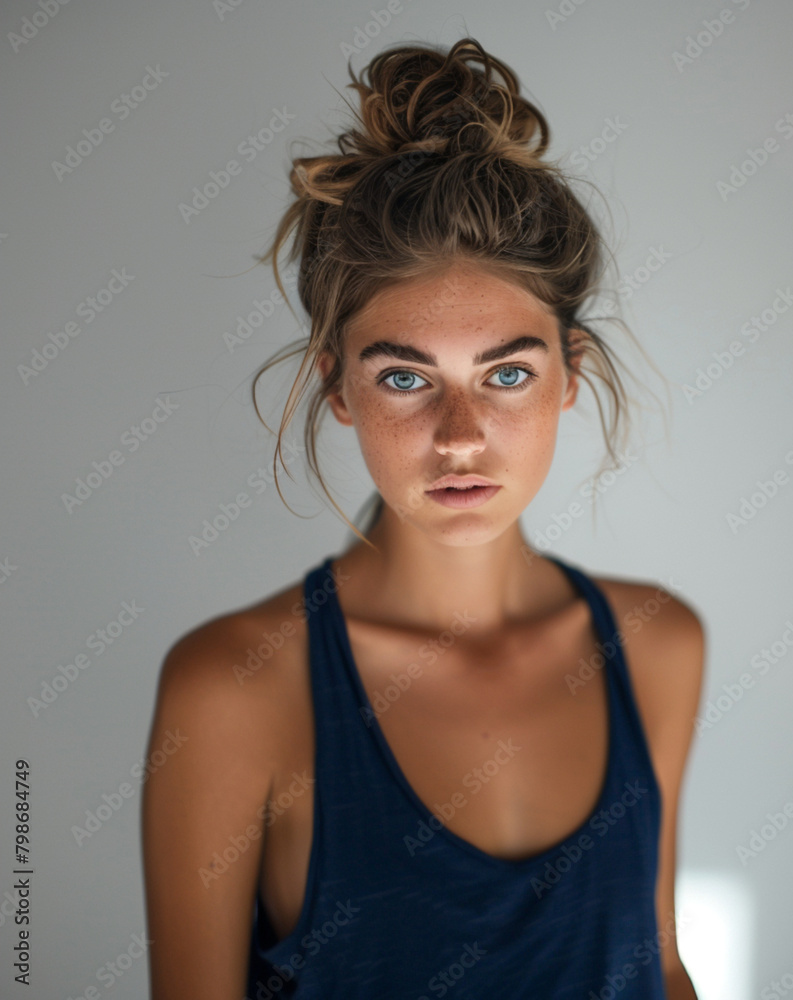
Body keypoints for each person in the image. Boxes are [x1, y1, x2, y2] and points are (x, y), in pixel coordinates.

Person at [141, 36, 704, 1000]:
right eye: (405, 377)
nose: (459, 436)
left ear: (570, 376)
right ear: (338, 390)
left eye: (507, 374)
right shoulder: (232, 692)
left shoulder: (657, 647)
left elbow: (660, 967)